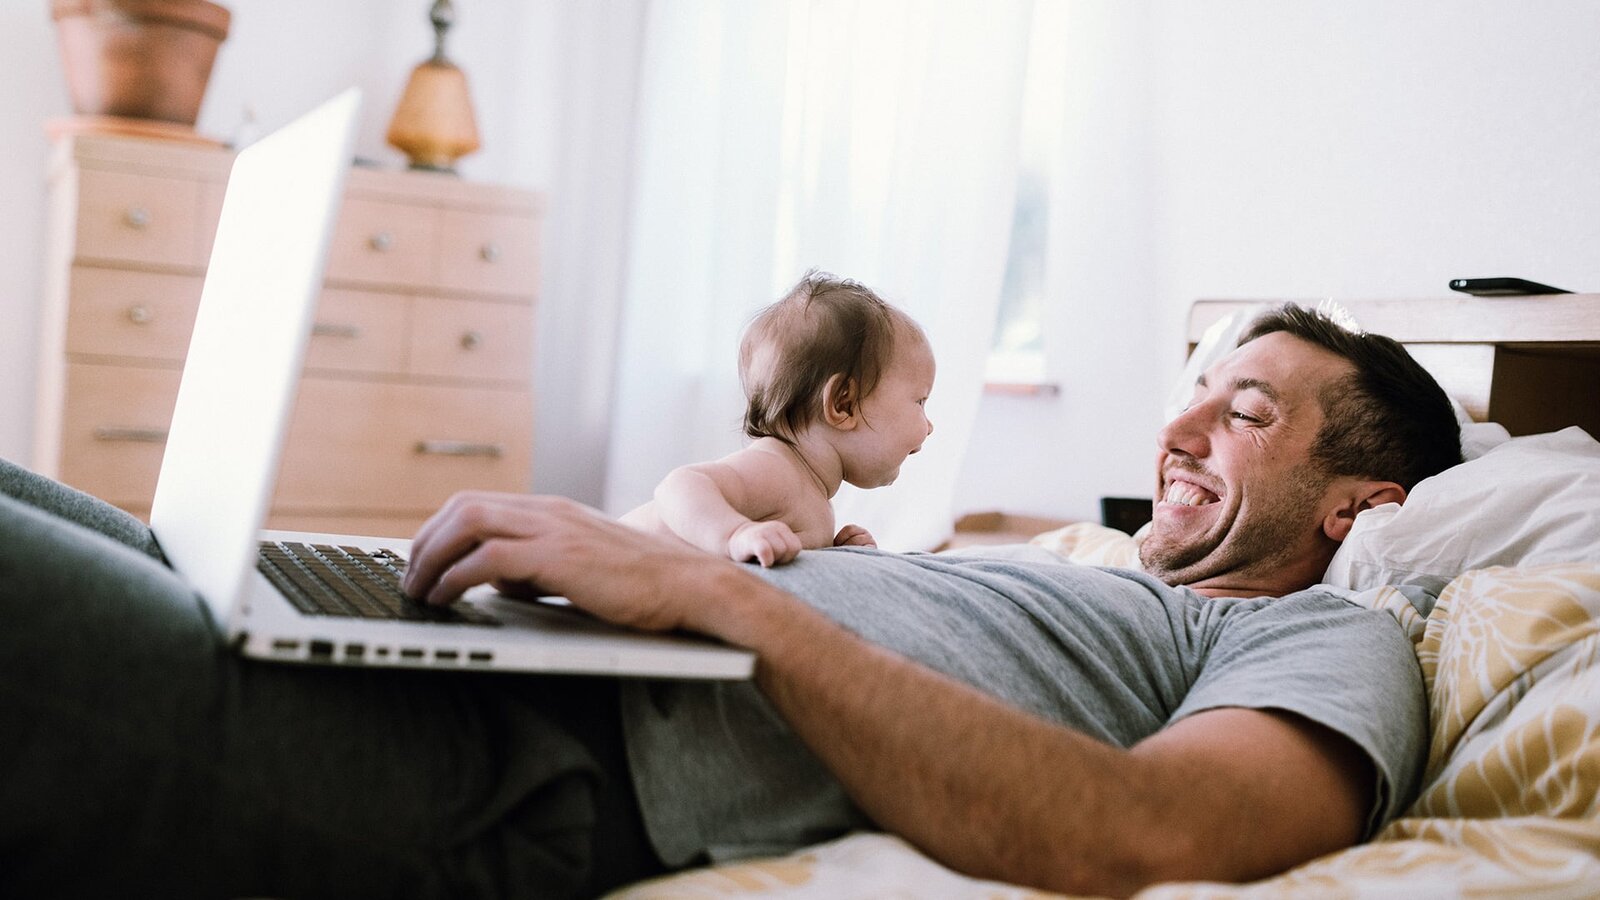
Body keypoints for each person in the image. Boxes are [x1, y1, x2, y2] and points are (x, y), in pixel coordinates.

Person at [0, 304, 1462, 899]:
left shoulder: (1327, 634)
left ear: (1361, 505)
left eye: (1247, 410)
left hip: (528, 760)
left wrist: (716, 593)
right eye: (1189, 391)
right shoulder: (1079, 561)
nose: (1179, 430)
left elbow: (1156, 836)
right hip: (449, 625)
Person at [620, 271, 935, 566]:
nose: (929, 426)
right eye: (920, 401)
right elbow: (678, 487)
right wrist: (734, 535)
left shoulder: (809, 492)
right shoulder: (777, 468)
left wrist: (837, 556)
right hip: (621, 555)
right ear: (844, 404)